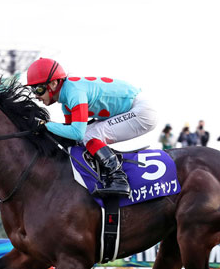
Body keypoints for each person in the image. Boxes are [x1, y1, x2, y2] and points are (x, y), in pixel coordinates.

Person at [26, 58, 158, 197]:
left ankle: (118, 178)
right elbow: (71, 137)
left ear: (53, 83)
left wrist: (46, 125)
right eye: (33, 90)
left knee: (89, 135)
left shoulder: (74, 93)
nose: (36, 96)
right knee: (87, 135)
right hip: (133, 109)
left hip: (142, 111)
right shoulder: (66, 103)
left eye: (39, 89)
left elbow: (77, 133)